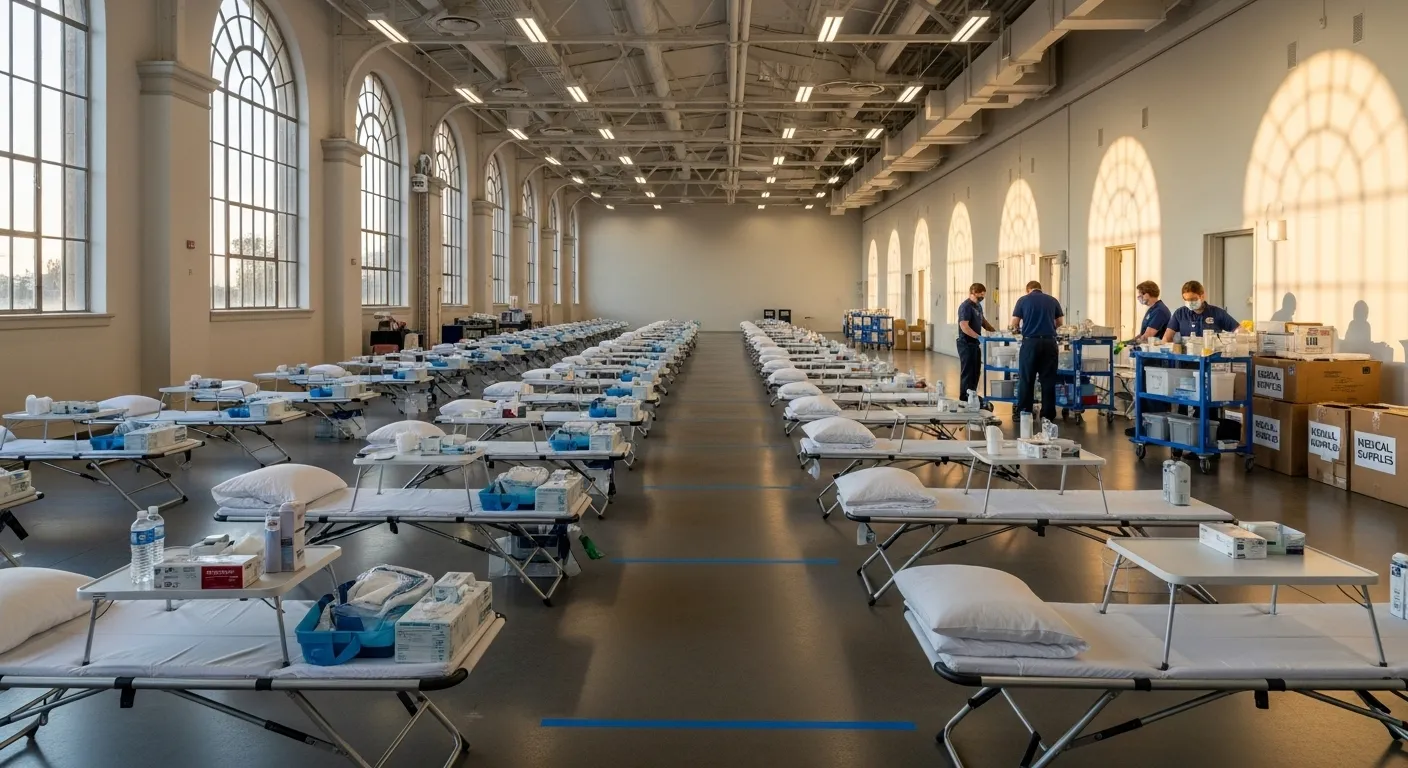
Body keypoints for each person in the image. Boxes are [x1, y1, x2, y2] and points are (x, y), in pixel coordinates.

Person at [1010, 280, 1064, 422]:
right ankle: (1048, 414)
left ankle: (1025, 412)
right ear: (1040, 289)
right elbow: (1060, 322)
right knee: (1048, 380)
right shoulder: (1052, 300)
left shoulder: (1023, 300)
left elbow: (1014, 324)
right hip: (1049, 343)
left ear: (1028, 290)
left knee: (1027, 379)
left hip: (1030, 343)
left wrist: (1017, 330)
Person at [1124, 281, 1171, 436]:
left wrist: (1137, 341)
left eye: (1140, 294)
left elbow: (1149, 335)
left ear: (1147, 294)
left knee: (1153, 394)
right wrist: (1130, 341)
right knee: (1142, 391)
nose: (1139, 298)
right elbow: (1143, 332)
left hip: (1155, 358)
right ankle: (1143, 427)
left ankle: (1155, 429)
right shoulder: (1151, 310)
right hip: (1146, 356)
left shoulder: (1160, 311)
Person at [1162, 280, 1240, 342]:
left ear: (1202, 296)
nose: (1190, 303)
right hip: (1187, 358)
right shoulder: (1180, 314)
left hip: (1210, 357)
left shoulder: (1217, 313)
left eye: (1193, 299)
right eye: (1186, 300)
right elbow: (1167, 338)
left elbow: (1239, 330)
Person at [956, 283, 995, 401]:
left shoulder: (978, 306)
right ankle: (964, 397)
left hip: (975, 344)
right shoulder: (965, 307)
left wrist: (993, 330)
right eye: (979, 296)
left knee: (976, 371)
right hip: (966, 343)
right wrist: (978, 337)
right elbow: (964, 326)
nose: (981, 299)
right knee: (968, 371)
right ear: (972, 293)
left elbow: (982, 320)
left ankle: (972, 394)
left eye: (983, 296)